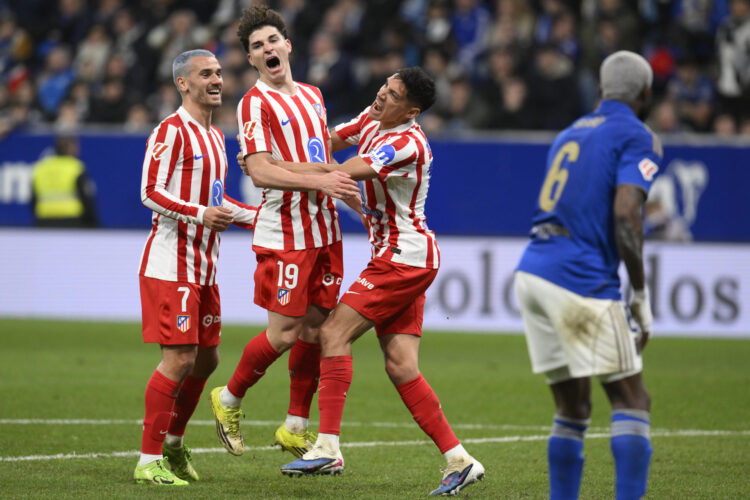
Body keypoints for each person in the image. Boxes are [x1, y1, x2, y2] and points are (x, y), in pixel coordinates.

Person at [272, 67, 485, 497]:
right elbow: (326, 141)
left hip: (403, 257)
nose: (381, 96)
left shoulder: (405, 143)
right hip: (398, 254)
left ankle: (328, 446)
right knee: (401, 365)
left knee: (332, 331)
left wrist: (277, 168)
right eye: (383, 87)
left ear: (412, 110)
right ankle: (460, 461)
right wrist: (281, 152)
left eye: (393, 95)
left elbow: (344, 171)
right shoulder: (371, 118)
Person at [208, 5, 359, 462]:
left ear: (288, 46)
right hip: (286, 232)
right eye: (257, 46)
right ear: (251, 60)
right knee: (285, 332)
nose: (267, 49)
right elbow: (259, 172)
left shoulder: (312, 95)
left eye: (272, 40)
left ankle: (295, 425)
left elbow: (311, 153)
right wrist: (320, 179)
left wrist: (334, 163)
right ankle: (229, 398)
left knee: (317, 329)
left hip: (324, 230)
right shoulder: (254, 103)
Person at [513, 50, 662, 500]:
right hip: (579, 277)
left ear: (599, 90)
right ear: (645, 94)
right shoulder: (639, 135)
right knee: (632, 399)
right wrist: (639, 294)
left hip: (532, 270)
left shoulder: (569, 132)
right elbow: (626, 214)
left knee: (574, 407)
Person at [133, 49, 257, 486]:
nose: (217, 79)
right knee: (180, 359)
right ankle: (148, 460)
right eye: (206, 73)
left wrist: (258, 217)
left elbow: (218, 200)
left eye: (219, 72)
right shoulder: (171, 131)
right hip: (172, 266)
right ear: (183, 83)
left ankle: (173, 444)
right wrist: (198, 214)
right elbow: (150, 191)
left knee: (207, 360)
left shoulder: (214, 136)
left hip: (205, 268)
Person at [31, 134, 98, 228]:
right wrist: (94, 224)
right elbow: (87, 199)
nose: (77, 149)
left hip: (44, 221)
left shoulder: (40, 168)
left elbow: (33, 199)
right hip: (71, 221)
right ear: (70, 147)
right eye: (76, 146)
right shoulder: (75, 168)